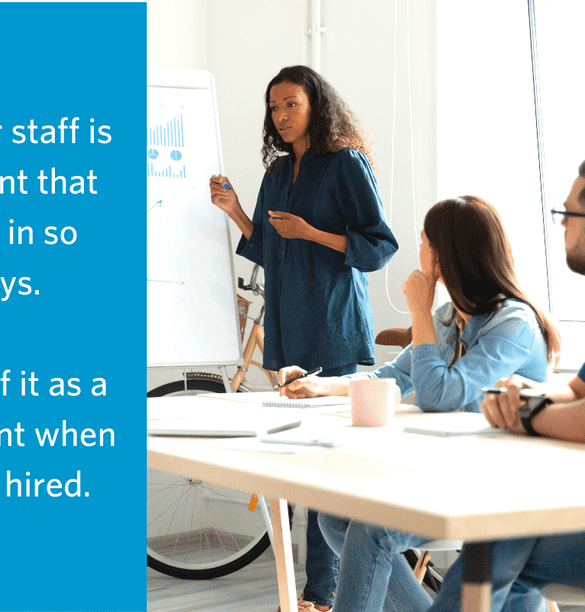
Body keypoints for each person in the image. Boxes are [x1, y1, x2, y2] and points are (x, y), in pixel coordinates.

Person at [426, 153, 585, 612]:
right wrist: (520, 396)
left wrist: (531, 418)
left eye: (565, 215)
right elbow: (581, 391)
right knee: (505, 540)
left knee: (494, 547)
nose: (560, 225)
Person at [279, 195, 561, 612]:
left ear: (447, 257)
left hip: (499, 484)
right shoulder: (451, 316)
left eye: (425, 243)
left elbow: (439, 395)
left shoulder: (513, 323)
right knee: (335, 519)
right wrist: (319, 386)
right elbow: (389, 377)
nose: (419, 251)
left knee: (371, 531)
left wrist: (419, 310)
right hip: (452, 471)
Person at [209, 65, 399, 611]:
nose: (281, 116)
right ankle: (309, 591)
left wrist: (313, 232)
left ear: (315, 104)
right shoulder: (275, 172)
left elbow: (380, 245)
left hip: (333, 324)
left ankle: (320, 594)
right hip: (288, 324)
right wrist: (237, 213)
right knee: (296, 459)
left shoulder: (346, 164)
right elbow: (270, 245)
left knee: (323, 465)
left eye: (290, 104)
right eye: (274, 107)